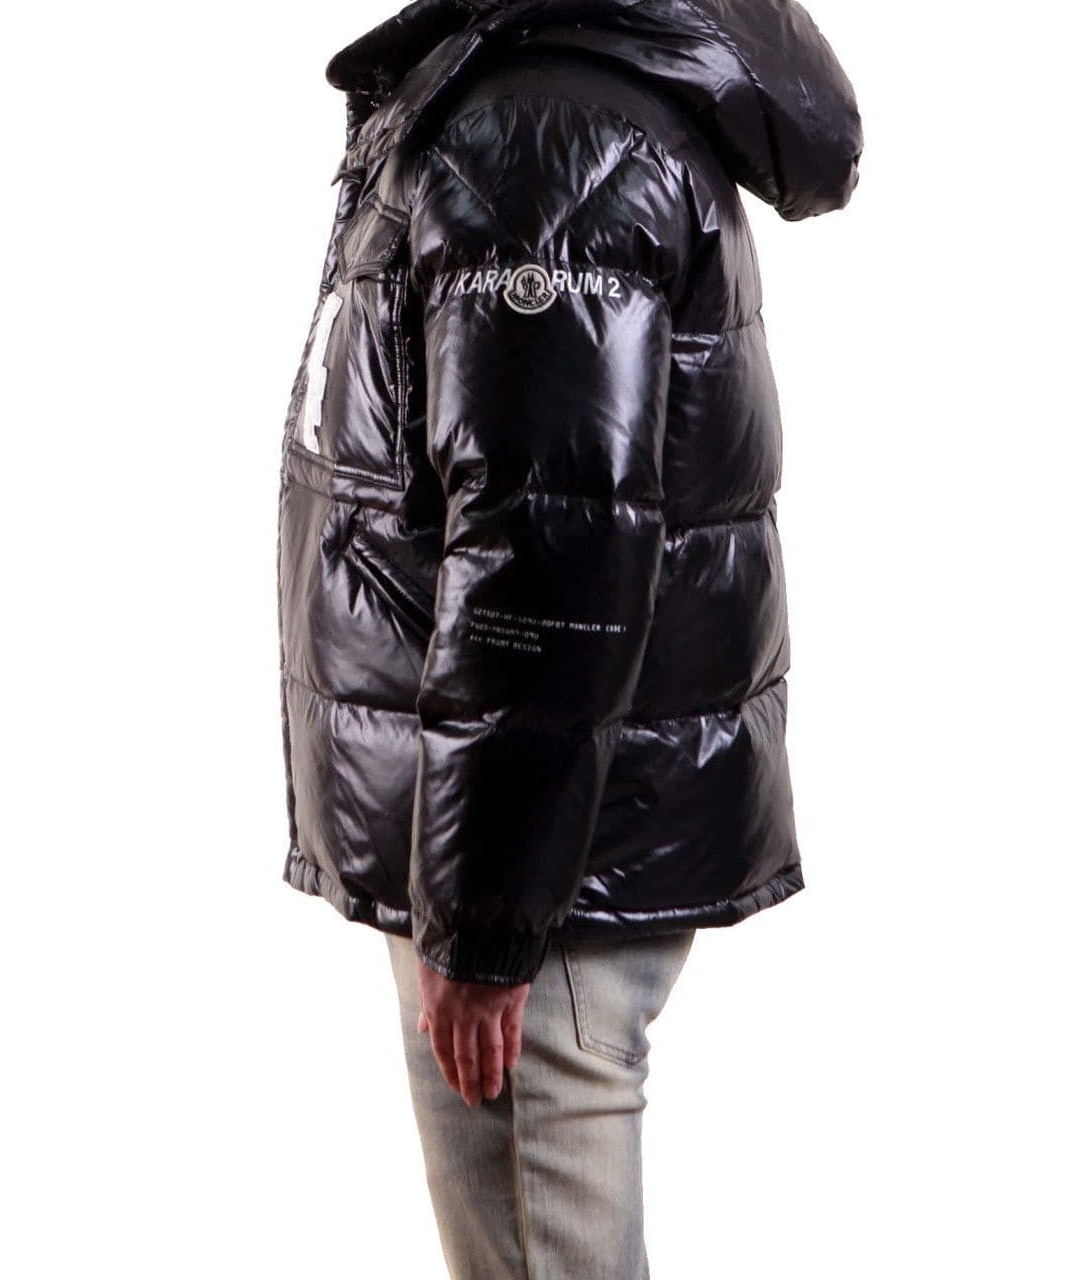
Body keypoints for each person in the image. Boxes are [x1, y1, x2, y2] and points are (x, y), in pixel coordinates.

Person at [276, 0, 861, 1274]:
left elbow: (548, 547)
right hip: (536, 823)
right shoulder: (557, 92)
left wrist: (489, 914)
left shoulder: (543, 135)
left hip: (539, 854)